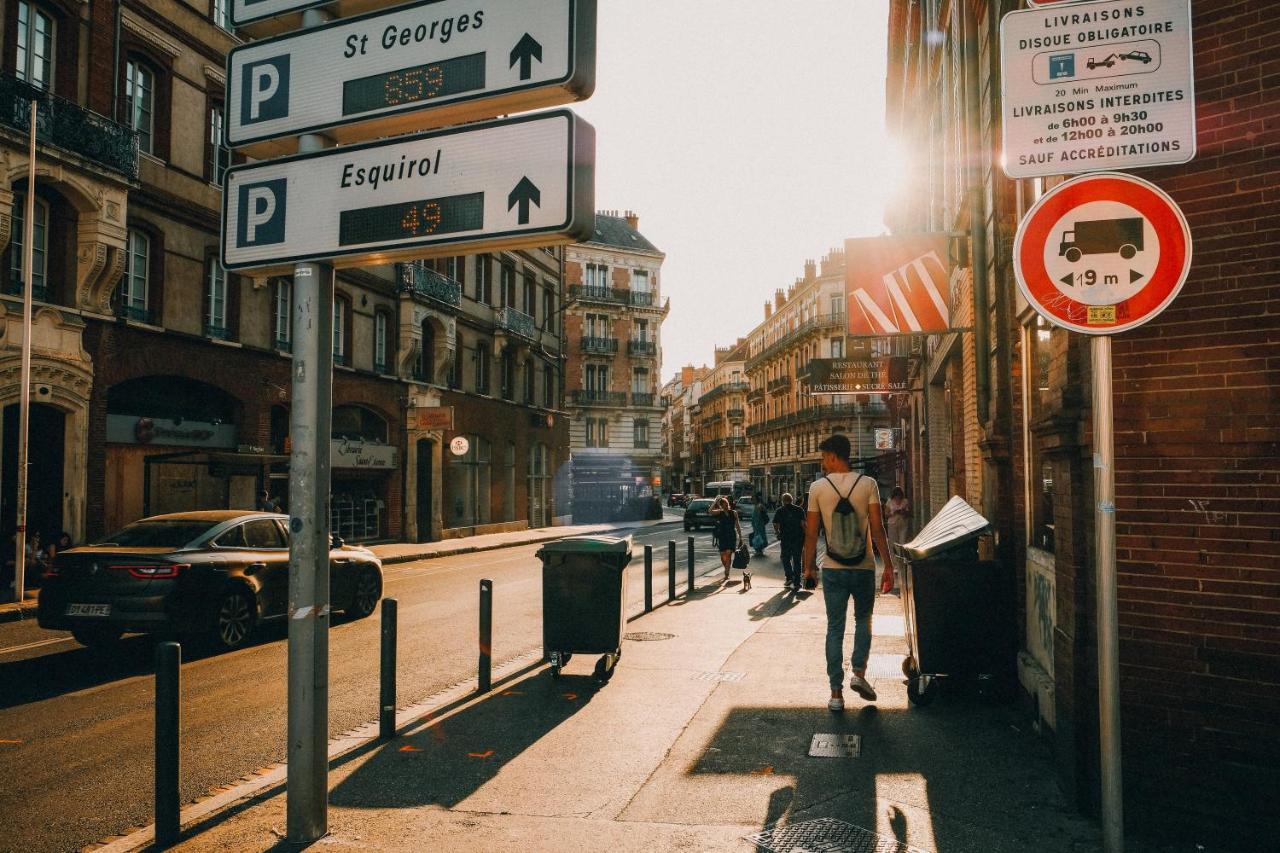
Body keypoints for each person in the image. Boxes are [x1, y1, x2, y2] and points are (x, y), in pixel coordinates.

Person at [803, 434, 892, 712]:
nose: (822, 463)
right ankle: (859, 674)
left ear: (832, 456)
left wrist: (808, 568)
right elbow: (877, 529)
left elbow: (811, 533)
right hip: (863, 567)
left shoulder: (818, 487)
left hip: (832, 569)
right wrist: (888, 565)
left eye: (823, 458)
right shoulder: (868, 484)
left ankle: (836, 694)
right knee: (864, 620)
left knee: (834, 628)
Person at [772, 492, 807, 591]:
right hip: (798, 538)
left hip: (785, 538)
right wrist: (806, 537)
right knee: (797, 560)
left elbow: (775, 523)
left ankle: (789, 577)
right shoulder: (799, 510)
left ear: (783, 501)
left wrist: (777, 532)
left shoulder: (780, 510)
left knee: (785, 558)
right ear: (792, 500)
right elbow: (803, 524)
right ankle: (797, 582)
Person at [710, 496, 746, 585]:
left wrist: (741, 537)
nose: (726, 506)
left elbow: (737, 525)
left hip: (731, 536)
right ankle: (726, 567)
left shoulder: (734, 513)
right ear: (721, 506)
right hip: (722, 536)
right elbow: (710, 511)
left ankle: (726, 573)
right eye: (724, 504)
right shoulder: (720, 512)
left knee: (728, 554)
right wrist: (715, 502)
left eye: (727, 504)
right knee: (723, 555)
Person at [885, 486, 911, 591]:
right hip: (892, 524)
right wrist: (893, 513)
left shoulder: (905, 502)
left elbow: (909, 512)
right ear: (893, 496)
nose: (898, 499)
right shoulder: (889, 502)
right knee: (893, 544)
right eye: (896, 497)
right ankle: (895, 565)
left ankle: (903, 562)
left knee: (902, 542)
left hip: (903, 524)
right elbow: (886, 514)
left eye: (899, 497)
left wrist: (903, 512)